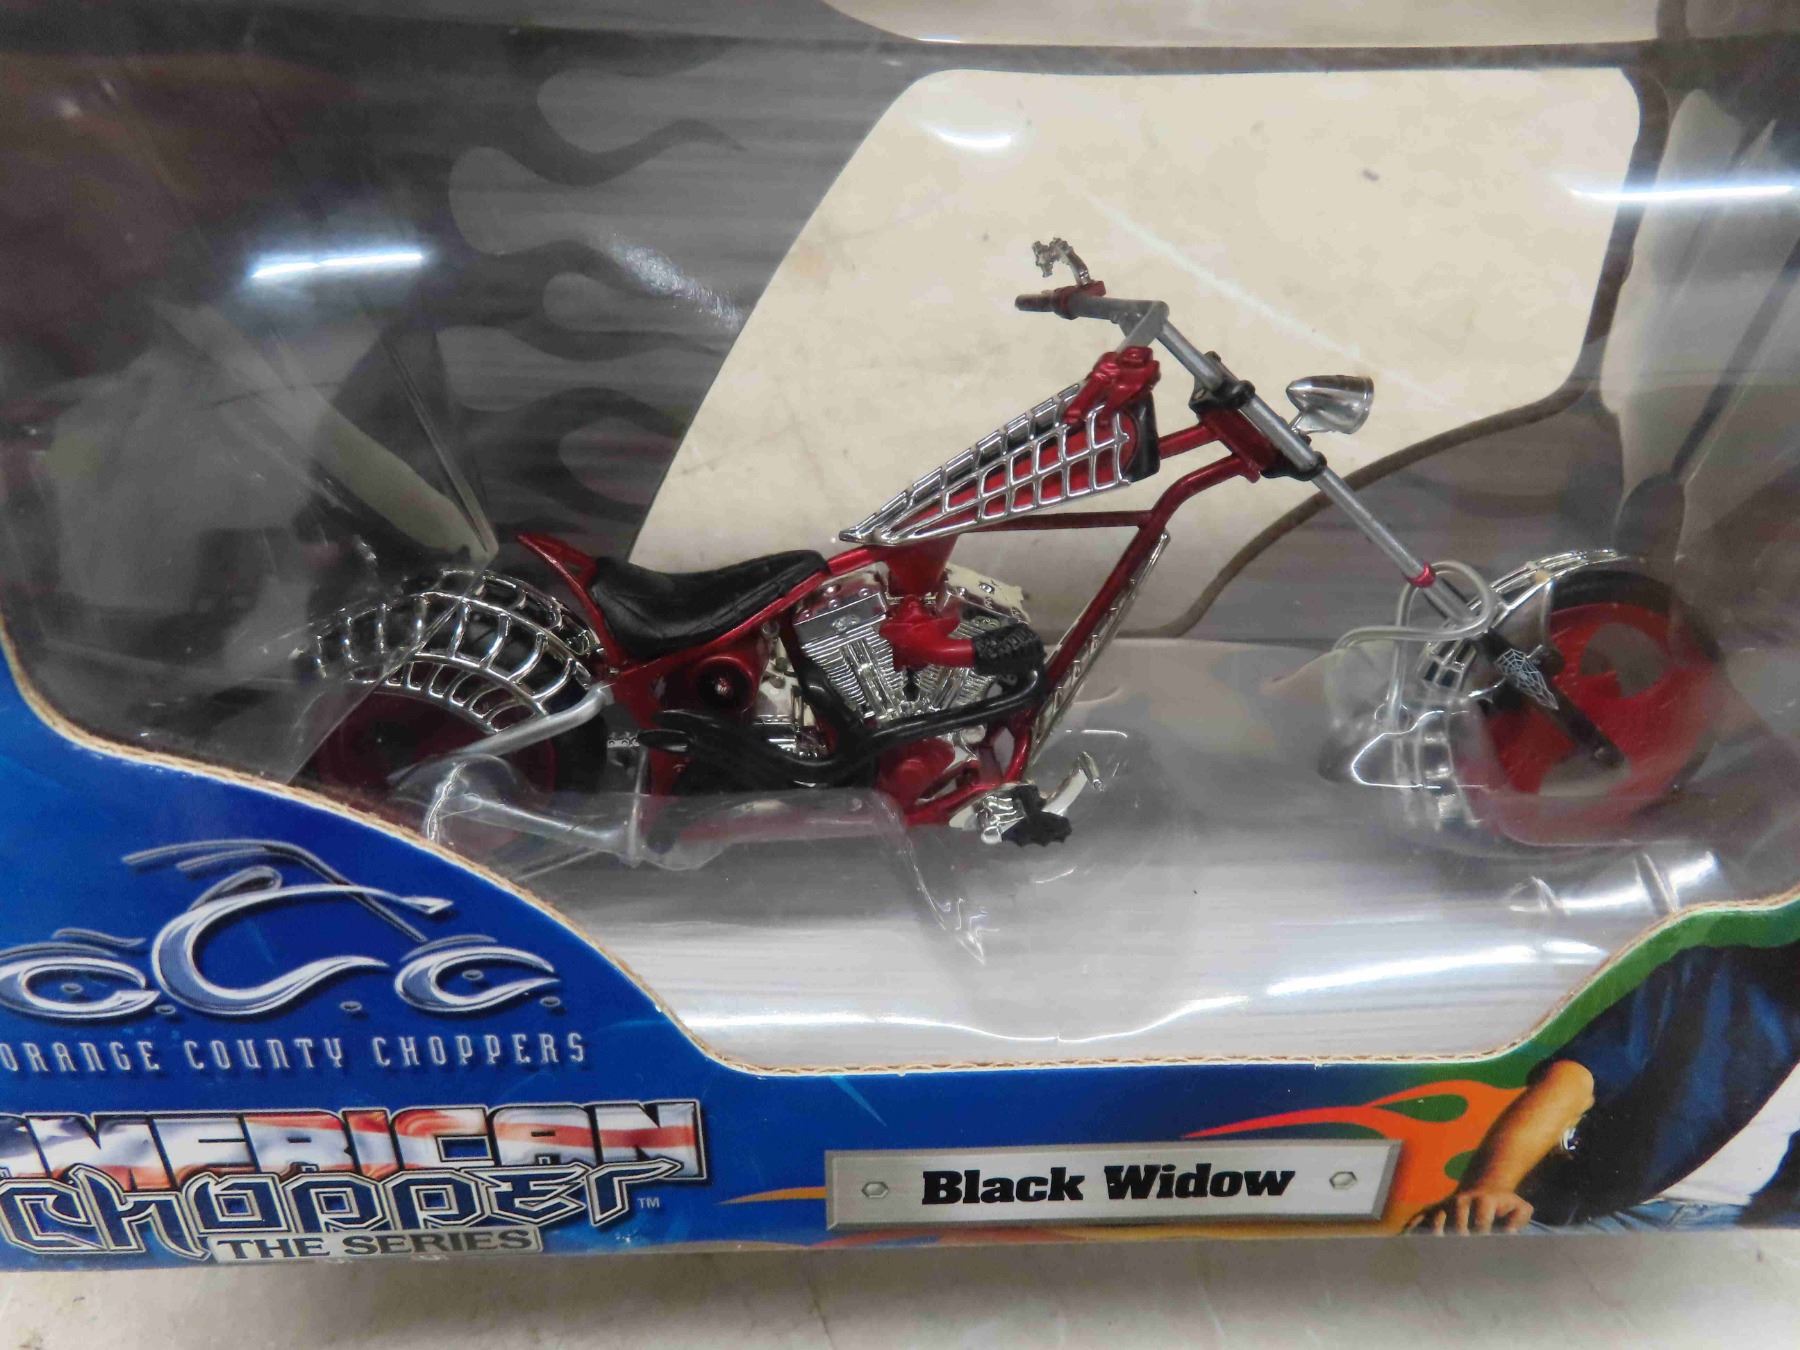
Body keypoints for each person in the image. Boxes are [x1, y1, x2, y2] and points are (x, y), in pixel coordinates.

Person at [1408, 936, 1800, 1234]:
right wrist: (1491, 1186)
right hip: (1607, 1215)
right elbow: (1576, 1079)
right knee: (1438, 1246)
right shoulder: (1710, 974)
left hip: (1744, 1236)